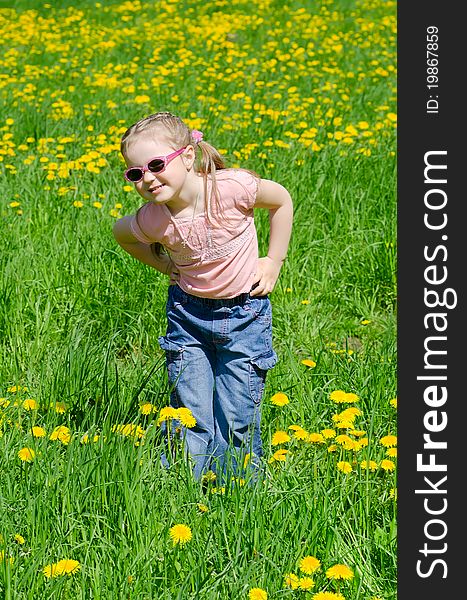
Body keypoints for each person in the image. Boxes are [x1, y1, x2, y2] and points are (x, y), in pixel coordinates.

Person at [113, 111, 293, 480]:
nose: (147, 178)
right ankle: (186, 487)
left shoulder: (231, 188)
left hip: (245, 316)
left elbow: (282, 201)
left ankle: (237, 490)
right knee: (189, 410)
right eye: (135, 173)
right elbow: (122, 233)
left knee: (239, 412)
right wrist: (165, 267)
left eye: (157, 164)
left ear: (188, 156)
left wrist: (273, 261)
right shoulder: (154, 218)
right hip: (188, 318)